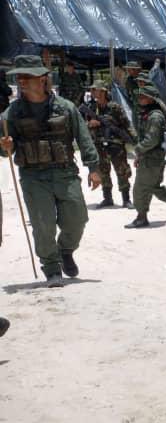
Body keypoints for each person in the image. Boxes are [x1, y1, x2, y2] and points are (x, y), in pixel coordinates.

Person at [0, 55, 101, 286]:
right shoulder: (11, 114)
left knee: (77, 219)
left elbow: (83, 138)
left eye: (28, 77)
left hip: (64, 173)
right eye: (19, 78)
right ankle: (52, 267)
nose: (22, 82)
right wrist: (5, 145)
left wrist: (93, 168)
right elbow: (6, 146)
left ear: (43, 79)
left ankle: (66, 250)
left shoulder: (66, 108)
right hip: (33, 177)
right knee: (42, 223)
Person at [124, 85, 166, 228]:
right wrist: (140, 155)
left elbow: (152, 139)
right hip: (148, 157)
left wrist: (138, 150)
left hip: (152, 158)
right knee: (154, 188)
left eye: (143, 96)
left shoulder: (156, 116)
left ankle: (141, 217)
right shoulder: (148, 114)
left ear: (150, 98)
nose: (140, 99)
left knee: (140, 189)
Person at [84, 80, 136, 208]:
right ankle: (107, 198)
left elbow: (126, 125)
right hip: (99, 145)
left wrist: (134, 141)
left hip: (116, 144)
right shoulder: (91, 108)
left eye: (95, 89)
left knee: (122, 171)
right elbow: (83, 126)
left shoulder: (115, 107)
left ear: (103, 91)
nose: (92, 92)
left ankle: (126, 199)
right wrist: (90, 124)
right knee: (103, 171)